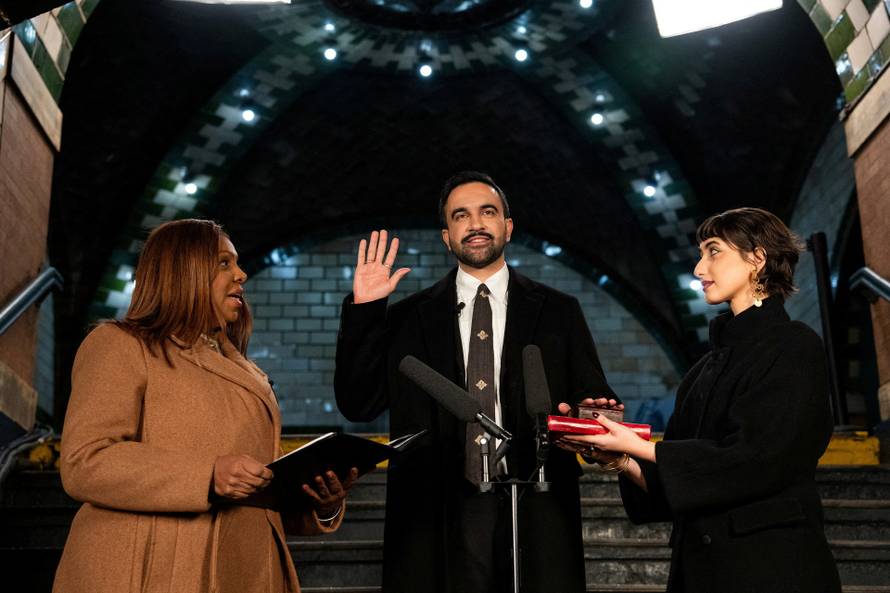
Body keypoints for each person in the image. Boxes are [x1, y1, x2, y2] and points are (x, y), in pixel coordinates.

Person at [334, 171, 616, 593]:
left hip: (534, 506)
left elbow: (592, 399)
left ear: (508, 226)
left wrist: (594, 418)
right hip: (435, 513)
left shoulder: (560, 311)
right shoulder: (408, 317)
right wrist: (365, 311)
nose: (476, 223)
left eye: (488, 211)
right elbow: (358, 403)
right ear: (447, 236)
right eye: (461, 215)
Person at [53, 219, 357, 593]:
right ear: (183, 270)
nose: (241, 274)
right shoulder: (119, 345)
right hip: (154, 571)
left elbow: (258, 488)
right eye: (224, 263)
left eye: (238, 263)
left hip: (250, 571)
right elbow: (85, 460)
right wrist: (207, 475)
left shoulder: (249, 374)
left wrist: (320, 502)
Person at [561, 207, 842, 593]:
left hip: (772, 570)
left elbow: (759, 458)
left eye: (713, 251)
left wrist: (642, 447)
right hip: (700, 573)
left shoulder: (794, 345)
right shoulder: (701, 371)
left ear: (757, 258)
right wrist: (623, 459)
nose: (698, 269)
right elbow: (679, 485)